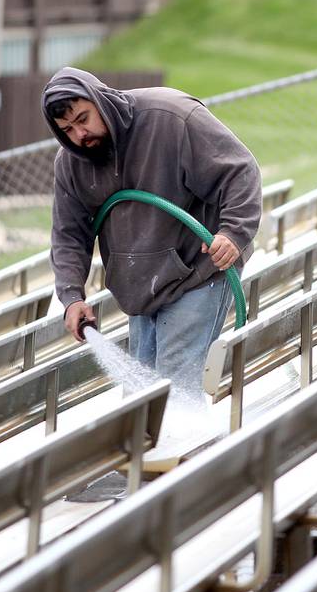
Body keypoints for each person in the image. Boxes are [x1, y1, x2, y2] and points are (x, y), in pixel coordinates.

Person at [43, 68, 262, 397]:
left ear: (99, 99)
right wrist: (72, 297)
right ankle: (162, 446)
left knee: (174, 385)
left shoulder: (171, 118)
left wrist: (233, 233)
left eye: (83, 118)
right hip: (142, 285)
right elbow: (68, 235)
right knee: (142, 392)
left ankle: (192, 447)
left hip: (199, 269)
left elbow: (240, 171)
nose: (79, 135)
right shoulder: (71, 163)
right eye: (68, 129)